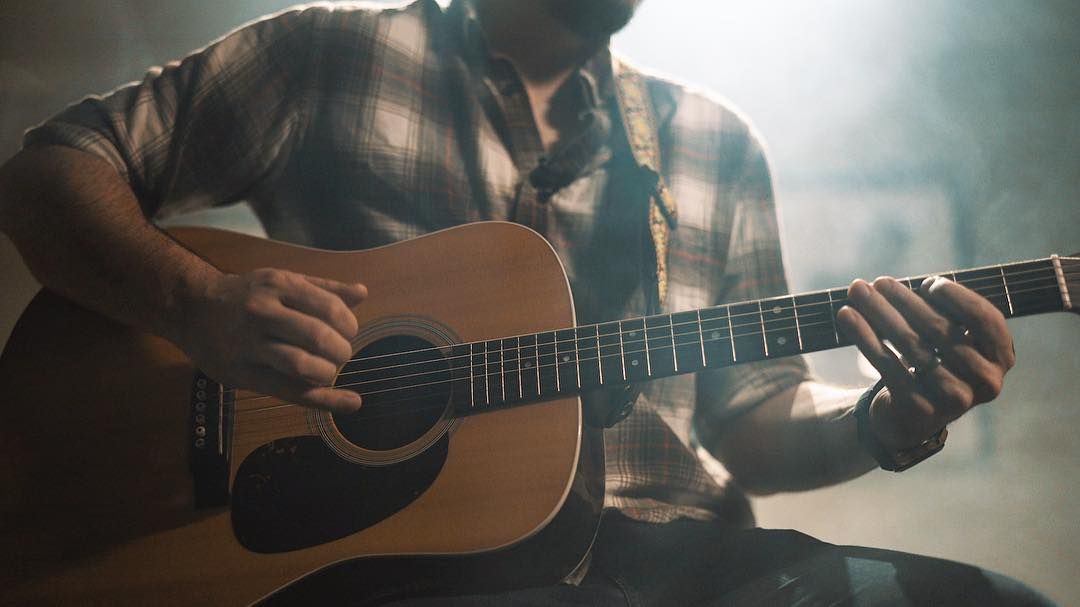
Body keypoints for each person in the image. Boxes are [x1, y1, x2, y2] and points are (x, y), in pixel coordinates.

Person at [0, 0, 1050, 604]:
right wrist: (196, 303)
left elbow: (754, 420)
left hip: (681, 564)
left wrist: (882, 419)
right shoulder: (327, 55)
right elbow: (47, 174)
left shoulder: (714, 143)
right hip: (391, 574)